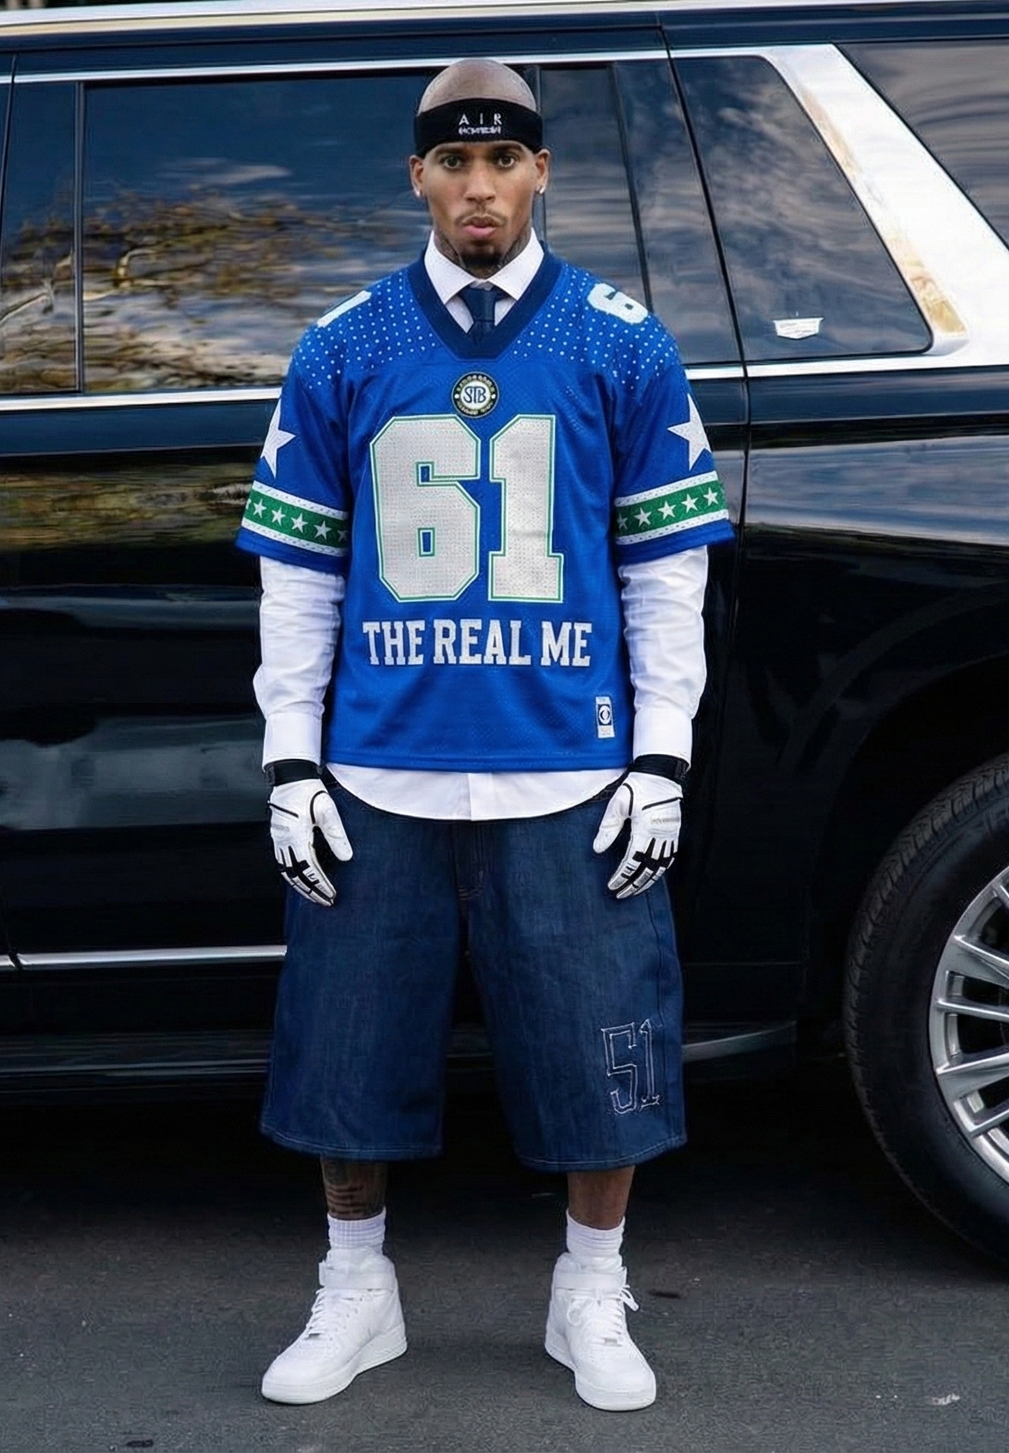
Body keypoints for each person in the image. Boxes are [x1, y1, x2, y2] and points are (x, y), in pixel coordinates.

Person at [234, 57, 731, 1412]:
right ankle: (354, 1290)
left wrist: (662, 753)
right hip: (379, 761)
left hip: (566, 763)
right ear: (416, 175)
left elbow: (663, 567)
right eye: (451, 164)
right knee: (345, 1050)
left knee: (599, 1052)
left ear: (538, 172)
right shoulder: (344, 347)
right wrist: (290, 756)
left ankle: (590, 1290)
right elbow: (304, 573)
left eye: (499, 162)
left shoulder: (618, 341)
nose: (476, 187)